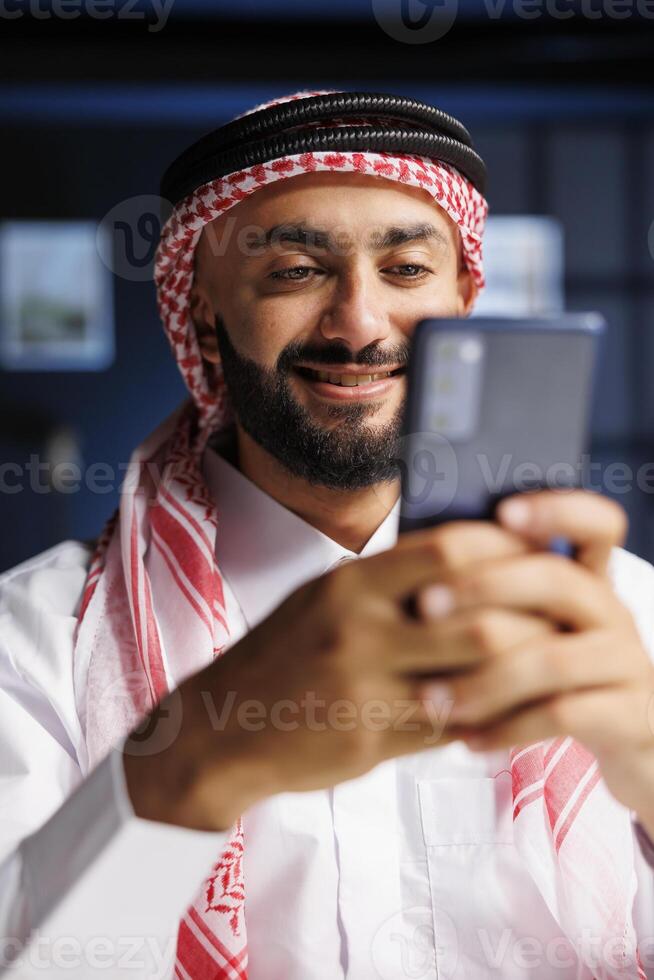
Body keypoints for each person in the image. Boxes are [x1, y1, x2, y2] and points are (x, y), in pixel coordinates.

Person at [1, 90, 654, 980]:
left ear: (467, 295)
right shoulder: (34, 641)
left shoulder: (629, 621)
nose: (360, 324)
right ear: (202, 314)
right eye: (296, 270)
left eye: (408, 271)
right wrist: (194, 762)